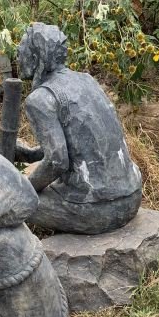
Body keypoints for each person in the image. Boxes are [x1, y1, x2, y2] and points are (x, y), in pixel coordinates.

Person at [16, 22, 142, 234]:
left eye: (22, 52)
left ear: (36, 58)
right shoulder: (87, 80)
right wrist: (31, 154)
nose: (18, 58)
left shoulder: (40, 99)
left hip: (95, 210)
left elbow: (57, 161)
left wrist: (27, 191)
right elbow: (80, 142)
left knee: (8, 200)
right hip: (132, 197)